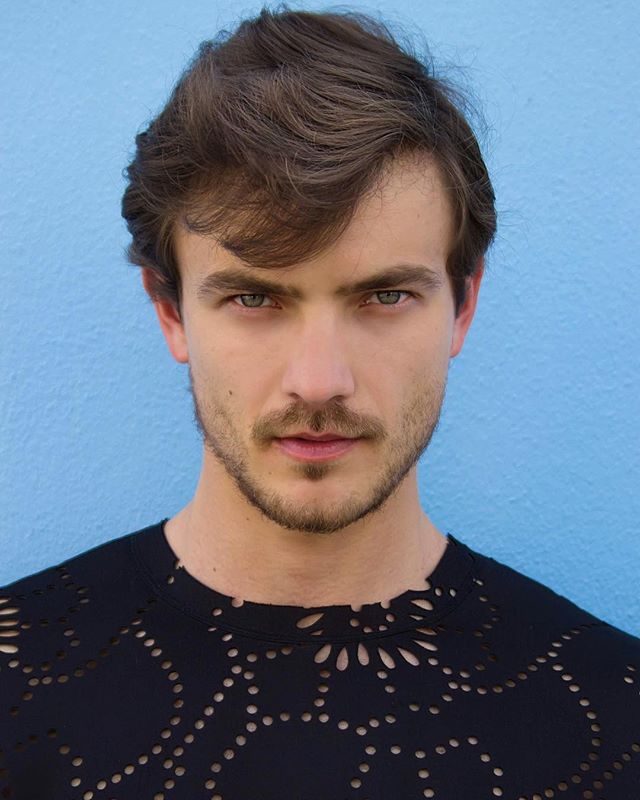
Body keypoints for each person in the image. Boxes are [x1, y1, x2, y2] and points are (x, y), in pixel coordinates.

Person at [1, 7, 639, 798]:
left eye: (385, 296)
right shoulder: (16, 683)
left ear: (462, 309)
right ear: (171, 311)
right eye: (254, 299)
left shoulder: (616, 716)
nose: (318, 381)